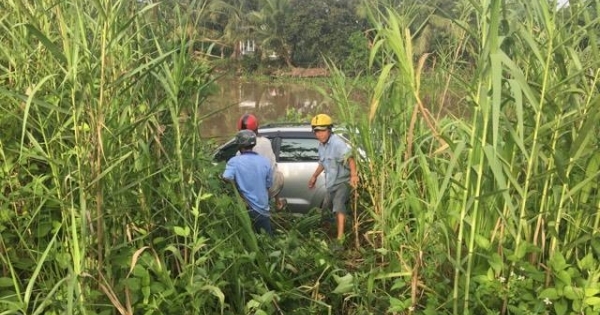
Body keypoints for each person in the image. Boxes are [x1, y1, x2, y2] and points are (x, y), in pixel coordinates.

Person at [307, 114, 359, 243]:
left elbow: (350, 157)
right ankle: (329, 233)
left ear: (329, 130)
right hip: (331, 183)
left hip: (342, 181)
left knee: (338, 204)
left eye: (323, 131)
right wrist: (314, 176)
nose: (320, 134)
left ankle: (340, 238)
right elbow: (323, 163)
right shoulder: (321, 145)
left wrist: (353, 175)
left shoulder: (337, 143)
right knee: (325, 209)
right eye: (317, 131)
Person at [222, 129, 274, 236]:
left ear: (239, 146)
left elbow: (226, 178)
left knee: (247, 241)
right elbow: (268, 185)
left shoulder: (234, 162)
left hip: (245, 208)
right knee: (267, 240)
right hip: (263, 209)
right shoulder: (265, 162)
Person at [237, 114, 286, 210]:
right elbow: (271, 165)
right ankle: (277, 202)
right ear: (257, 129)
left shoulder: (239, 153)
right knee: (278, 174)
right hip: (269, 187)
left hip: (252, 193)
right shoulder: (266, 142)